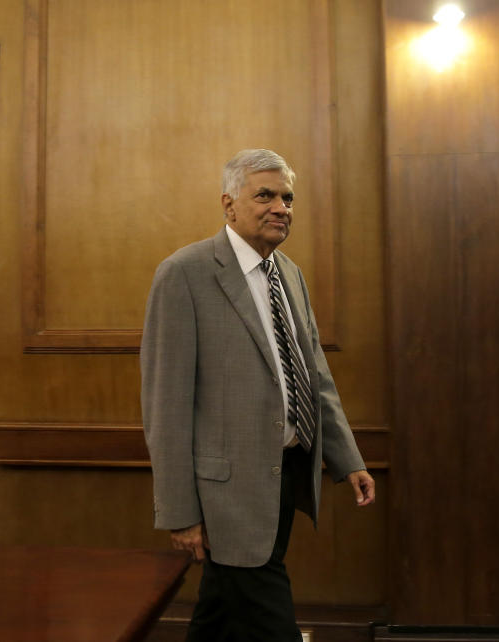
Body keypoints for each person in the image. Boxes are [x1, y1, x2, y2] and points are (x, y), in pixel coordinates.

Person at [141, 148, 375, 641]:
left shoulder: (288, 273)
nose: (281, 207)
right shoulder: (184, 273)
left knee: (223, 607)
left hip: (287, 472)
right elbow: (165, 406)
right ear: (228, 205)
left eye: (287, 197)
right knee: (267, 614)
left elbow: (315, 377)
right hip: (225, 490)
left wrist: (347, 458)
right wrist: (180, 511)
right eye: (264, 195)